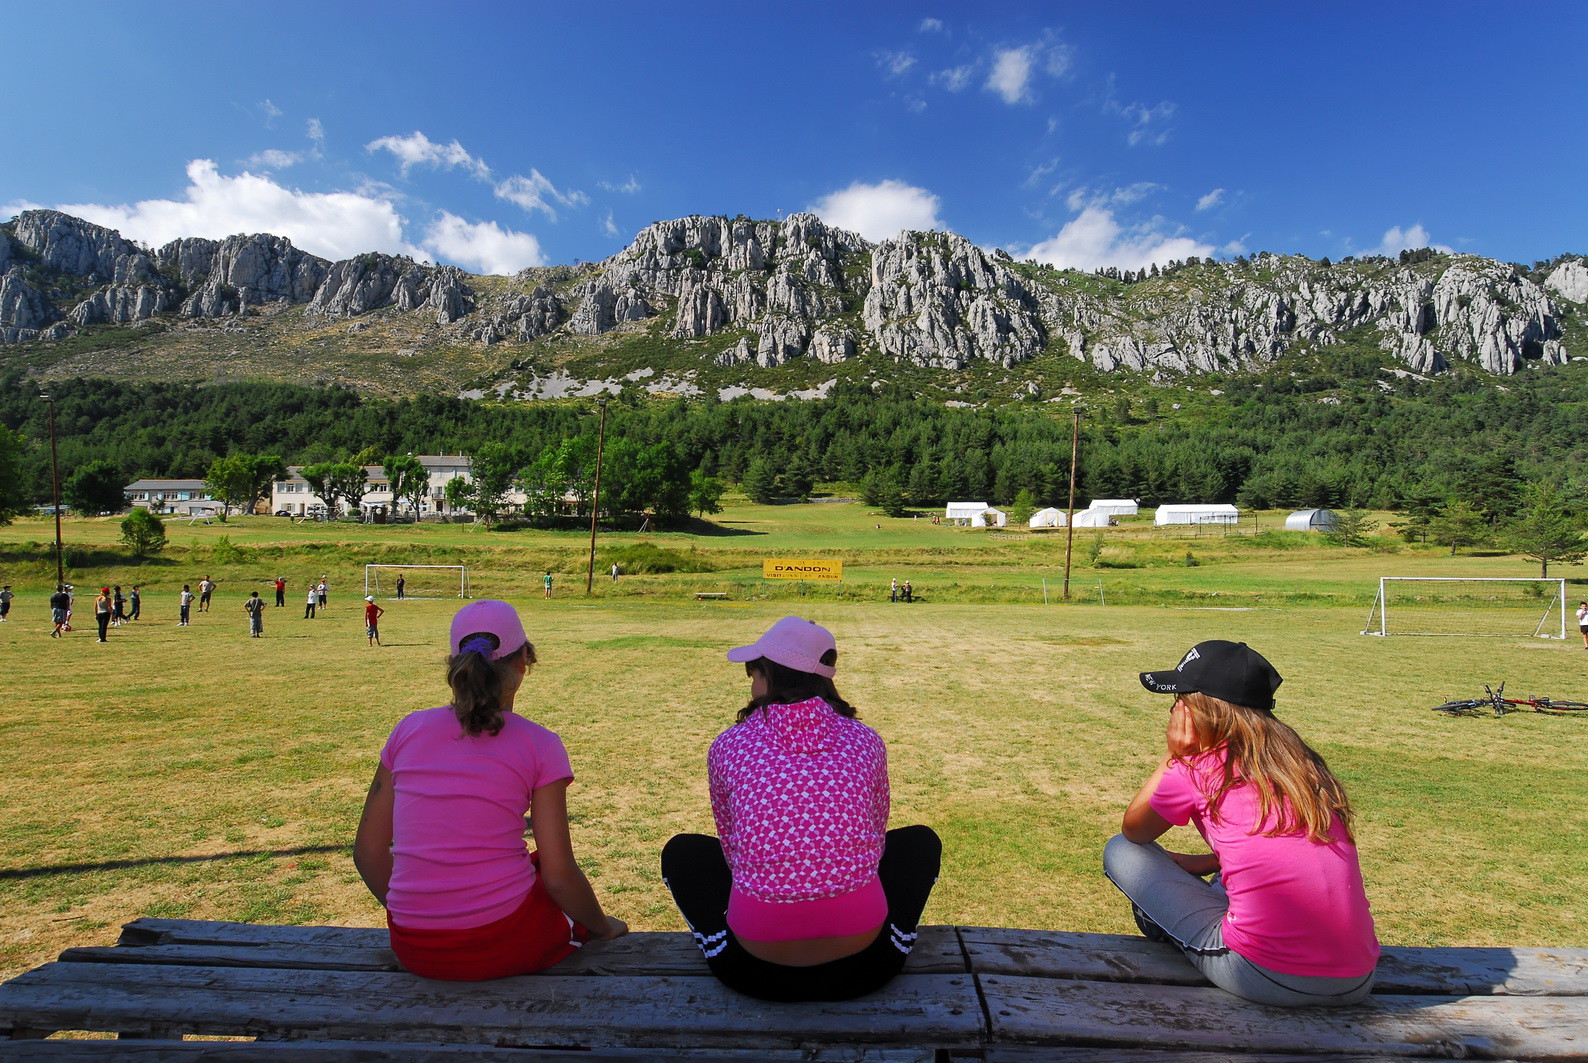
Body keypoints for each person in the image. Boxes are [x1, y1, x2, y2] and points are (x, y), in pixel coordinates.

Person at [660, 616, 942, 1002]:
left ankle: (721, 941)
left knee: (684, 852)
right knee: (918, 843)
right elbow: (875, 839)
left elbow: (732, 847)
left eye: (753, 673)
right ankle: (893, 936)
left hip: (750, 970)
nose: (751, 682)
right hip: (868, 963)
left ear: (770, 675)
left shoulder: (728, 745)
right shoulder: (866, 740)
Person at [353, 599, 627, 980]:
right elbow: (559, 875)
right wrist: (603, 927)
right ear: (523, 664)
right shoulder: (540, 744)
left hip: (413, 948)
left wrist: (421, 915)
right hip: (502, 941)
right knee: (542, 871)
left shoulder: (408, 730)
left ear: (454, 666)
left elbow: (368, 851)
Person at [1102, 640, 1378, 1007]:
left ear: (1196, 711)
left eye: (1177, 701)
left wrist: (1174, 755)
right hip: (1358, 978)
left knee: (1120, 851)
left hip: (1267, 976)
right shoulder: (1302, 767)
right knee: (1224, 879)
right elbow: (1286, 846)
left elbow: (1135, 830)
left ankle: (1168, 928)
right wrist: (1206, 862)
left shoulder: (1197, 767)